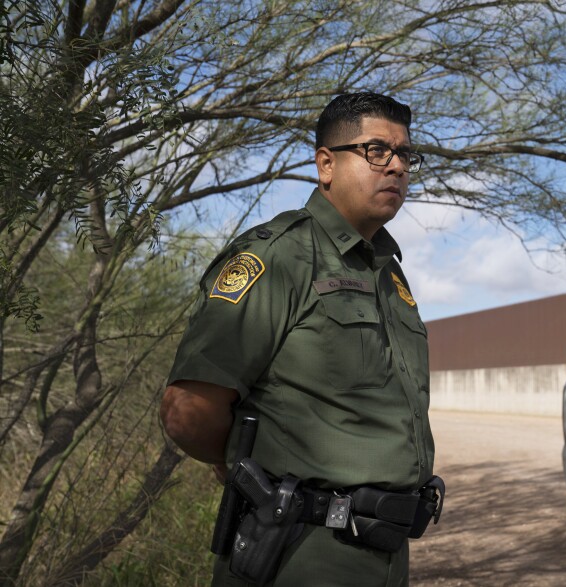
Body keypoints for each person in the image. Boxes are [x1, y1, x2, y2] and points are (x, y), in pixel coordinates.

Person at [160, 92, 438, 586]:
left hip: (385, 556)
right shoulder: (279, 259)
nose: (396, 167)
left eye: (405, 154)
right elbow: (188, 410)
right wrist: (247, 473)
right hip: (298, 554)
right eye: (377, 151)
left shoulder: (389, 274)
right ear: (326, 164)